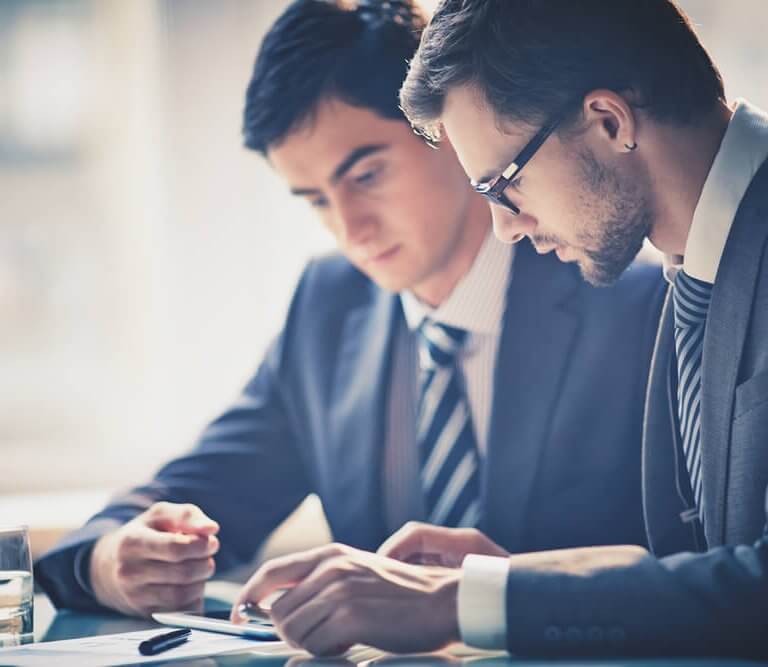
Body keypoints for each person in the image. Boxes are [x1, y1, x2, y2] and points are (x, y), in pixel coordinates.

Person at [37, 0, 664, 626]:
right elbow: (191, 495)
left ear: (448, 131)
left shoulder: (626, 286)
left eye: (366, 176)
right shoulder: (330, 308)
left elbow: (713, 574)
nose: (349, 228)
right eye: (316, 200)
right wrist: (112, 559)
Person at [229, 0, 768, 659]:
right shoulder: (705, 270)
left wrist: (460, 604)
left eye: (502, 183)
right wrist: (506, 580)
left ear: (607, 121)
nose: (506, 226)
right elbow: (708, 568)